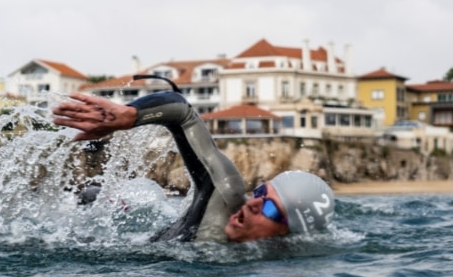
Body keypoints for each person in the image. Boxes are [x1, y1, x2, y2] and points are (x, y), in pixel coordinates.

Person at [52, 89, 335, 243]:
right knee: (97, 199)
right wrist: (131, 115)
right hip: (125, 247)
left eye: (271, 208)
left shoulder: (279, 264)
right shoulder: (226, 197)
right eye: (261, 193)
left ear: (288, 233)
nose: (252, 204)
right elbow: (182, 112)